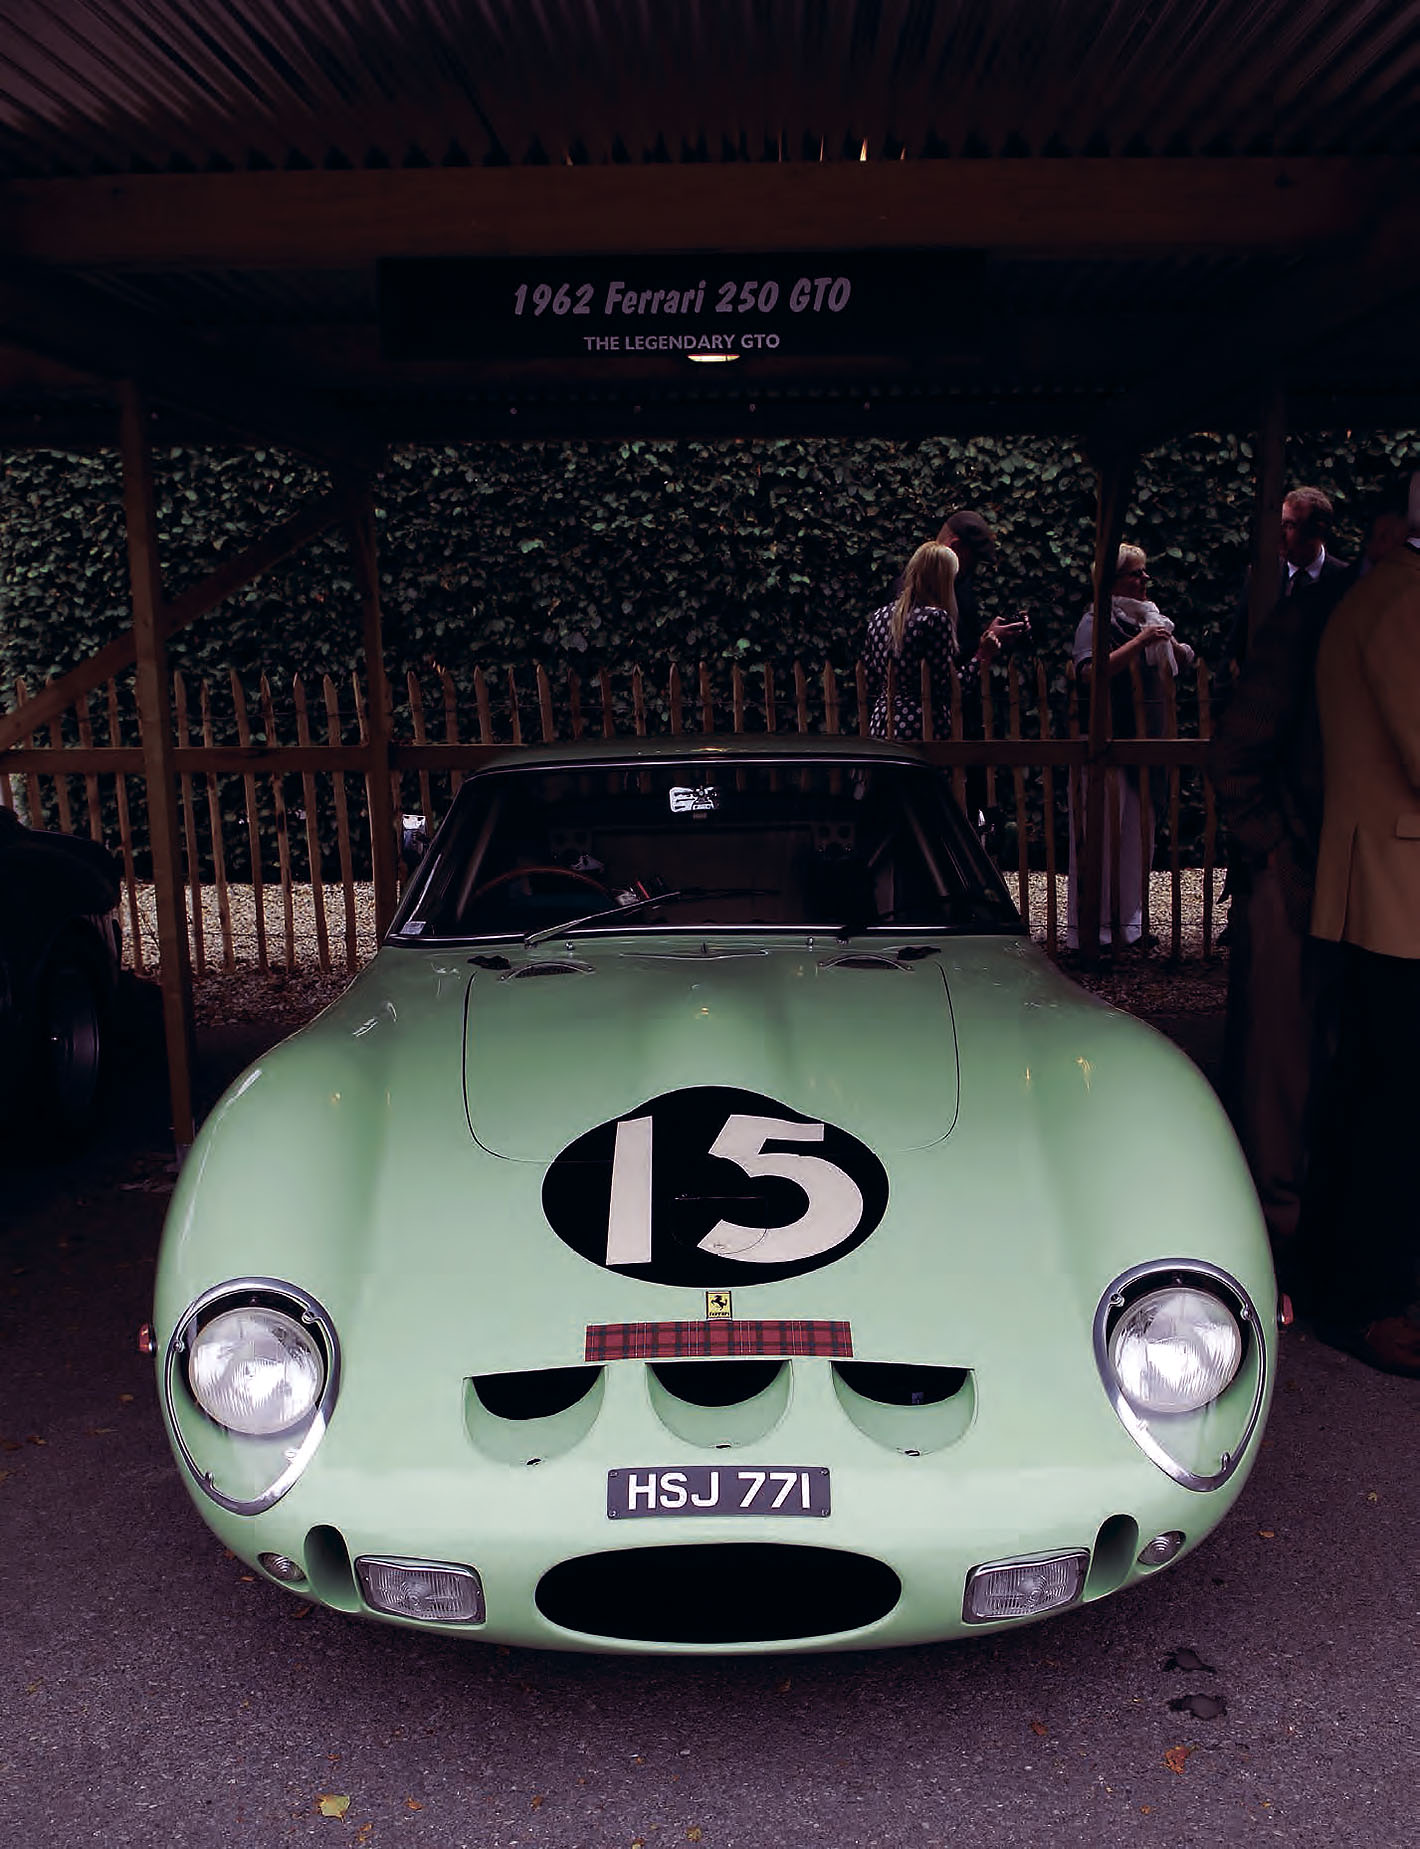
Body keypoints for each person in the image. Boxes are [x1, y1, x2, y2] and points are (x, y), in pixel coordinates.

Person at [1306, 470, 1420, 1377]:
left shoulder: (1378, 595)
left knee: (1368, 1099)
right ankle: (1369, 1300)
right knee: (1389, 1108)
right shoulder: (1403, 602)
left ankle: (1352, 1288)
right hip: (1398, 895)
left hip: (1382, 884)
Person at [1066, 545, 1195, 950]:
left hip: (1145, 742)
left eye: (1144, 574)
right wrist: (1141, 642)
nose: (1143, 581)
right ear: (1114, 580)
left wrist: (1166, 643)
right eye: (1135, 574)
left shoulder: (1147, 616)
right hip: (1108, 741)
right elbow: (1089, 671)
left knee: (1139, 836)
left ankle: (1130, 921)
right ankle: (1096, 925)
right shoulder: (1095, 620)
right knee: (1104, 834)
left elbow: (1185, 659)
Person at [863, 541, 1025, 741]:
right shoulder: (935, 618)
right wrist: (983, 654)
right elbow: (949, 688)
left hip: (882, 724)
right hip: (922, 727)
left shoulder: (879, 616)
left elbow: (870, 679)